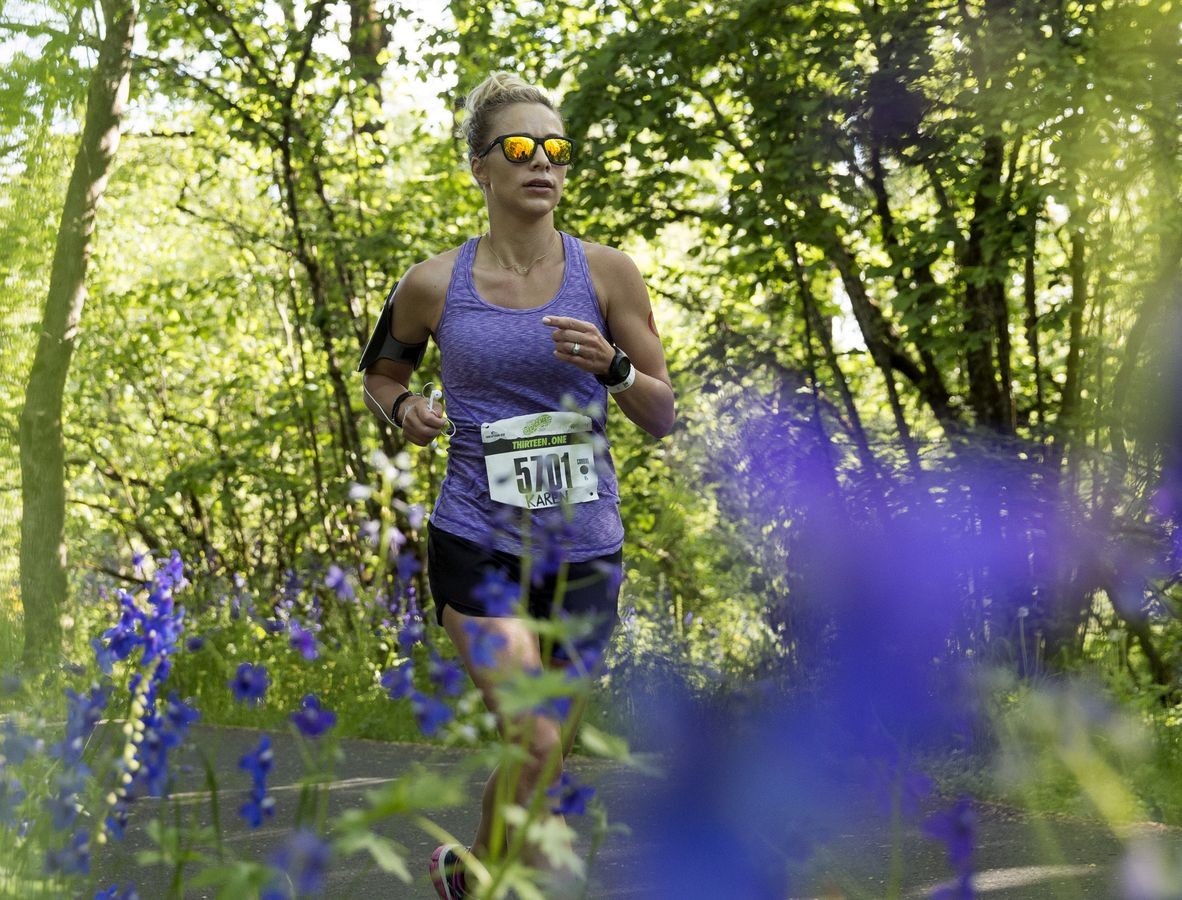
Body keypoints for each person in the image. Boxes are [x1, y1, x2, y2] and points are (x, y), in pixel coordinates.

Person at [358, 70, 675, 898]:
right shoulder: (433, 284)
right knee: (536, 743)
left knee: (541, 753)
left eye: (557, 150)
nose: (544, 164)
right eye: (521, 148)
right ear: (480, 168)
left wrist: (613, 367)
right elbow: (382, 373)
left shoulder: (608, 274)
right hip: (478, 541)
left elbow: (663, 411)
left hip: (584, 551)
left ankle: (471, 873)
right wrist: (407, 411)